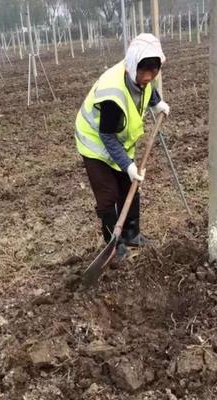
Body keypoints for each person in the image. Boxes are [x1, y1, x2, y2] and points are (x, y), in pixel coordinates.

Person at [75, 33, 170, 260]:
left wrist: (157, 104)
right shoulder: (113, 94)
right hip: (96, 143)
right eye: (144, 71)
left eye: (153, 70)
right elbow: (107, 136)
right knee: (108, 194)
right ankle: (113, 245)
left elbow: (147, 89)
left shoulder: (143, 75)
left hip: (120, 141)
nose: (148, 77)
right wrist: (127, 165)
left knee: (130, 186)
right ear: (132, 65)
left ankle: (131, 234)